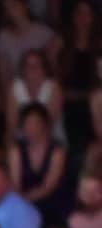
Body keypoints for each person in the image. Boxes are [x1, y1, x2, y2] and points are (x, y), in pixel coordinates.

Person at [9, 103, 70, 228]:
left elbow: (49, 186)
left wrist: (28, 199)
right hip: (23, 201)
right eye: (27, 123)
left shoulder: (57, 150)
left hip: (51, 201)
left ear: (45, 124)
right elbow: (15, 182)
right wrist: (22, 202)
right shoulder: (16, 150)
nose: (31, 127)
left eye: (35, 122)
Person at [55, 0, 102, 152]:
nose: (83, 18)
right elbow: (54, 74)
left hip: (93, 100)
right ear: (73, 17)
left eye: (87, 13)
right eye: (79, 13)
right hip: (68, 101)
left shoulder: (100, 44)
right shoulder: (62, 43)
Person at [0, 0, 57, 95]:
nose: (11, 11)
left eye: (14, 6)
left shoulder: (44, 33)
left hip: (41, 89)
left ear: (24, 5)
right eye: (7, 8)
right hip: (16, 91)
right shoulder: (3, 37)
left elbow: (52, 67)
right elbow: (2, 73)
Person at [7, 50, 66, 143]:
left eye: (37, 65)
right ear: (23, 69)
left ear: (44, 68)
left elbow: (49, 124)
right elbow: (11, 125)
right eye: (28, 65)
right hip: (21, 139)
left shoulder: (53, 88)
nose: (33, 68)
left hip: (51, 140)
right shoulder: (15, 88)